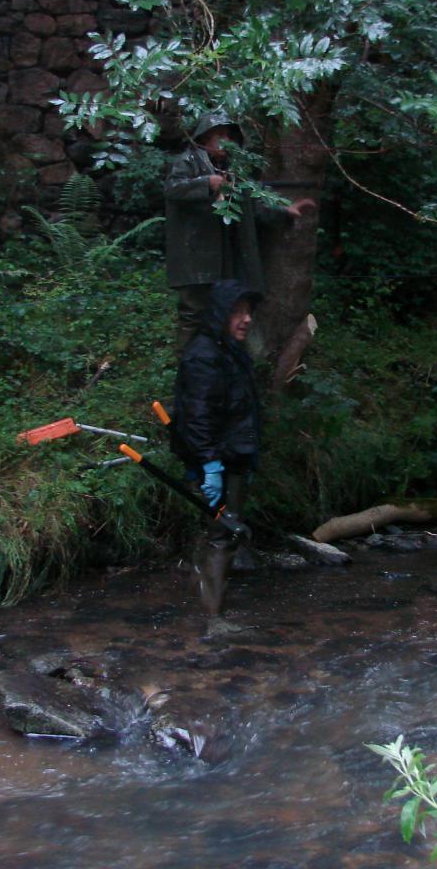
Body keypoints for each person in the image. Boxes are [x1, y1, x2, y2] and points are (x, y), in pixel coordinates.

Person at [163, 111, 315, 352]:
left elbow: (253, 207)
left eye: (230, 136)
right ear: (204, 137)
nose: (226, 141)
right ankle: (189, 373)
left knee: (226, 315)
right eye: (220, 135)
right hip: (195, 260)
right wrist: (206, 184)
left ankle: (218, 372)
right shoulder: (187, 161)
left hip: (228, 262)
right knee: (193, 316)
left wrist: (285, 212)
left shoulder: (234, 171)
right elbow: (173, 190)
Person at [169, 279, 262, 617]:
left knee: (216, 532)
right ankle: (213, 620)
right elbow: (197, 417)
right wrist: (209, 466)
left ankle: (201, 598)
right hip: (220, 462)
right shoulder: (204, 357)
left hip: (233, 457)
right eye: (238, 312)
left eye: (249, 312)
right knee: (223, 535)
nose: (247, 319)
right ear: (220, 315)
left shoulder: (229, 351)